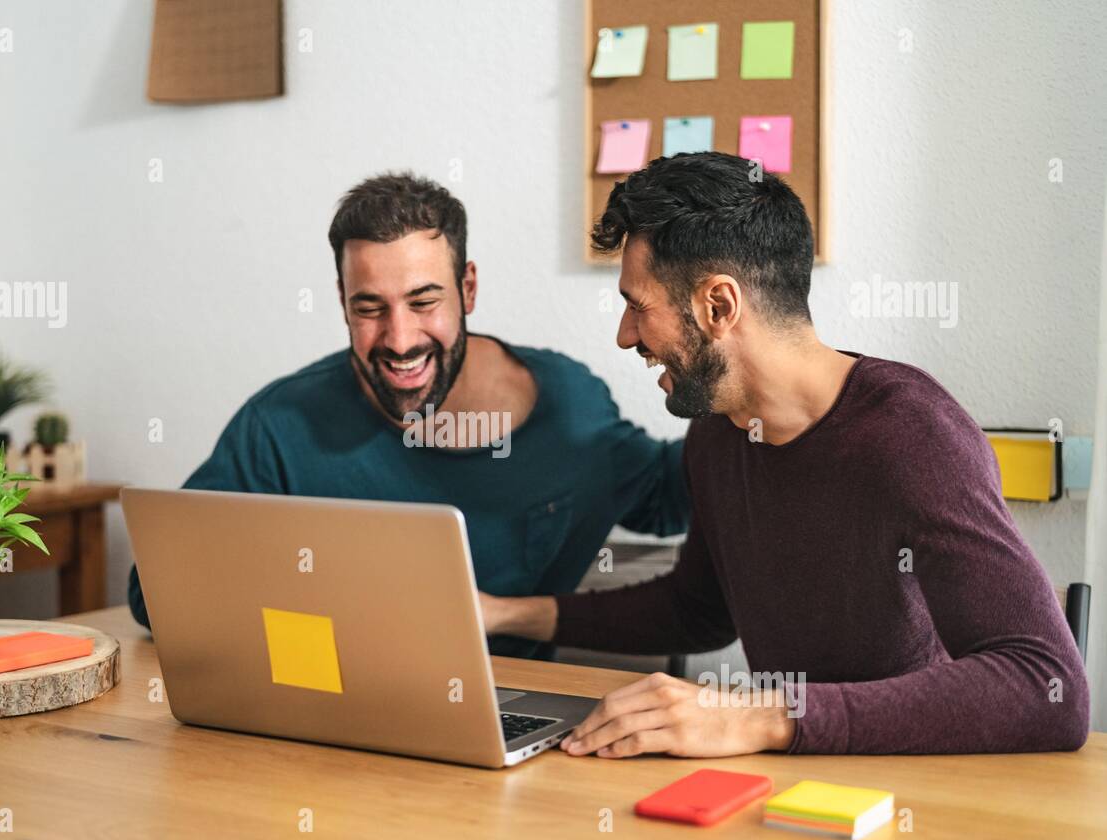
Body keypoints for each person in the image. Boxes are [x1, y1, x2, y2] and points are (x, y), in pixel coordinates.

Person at [480, 151, 1090, 752]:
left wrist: (763, 718)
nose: (626, 336)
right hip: (796, 778)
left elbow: (1046, 684)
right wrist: (505, 614)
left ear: (718, 306)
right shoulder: (718, 432)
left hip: (918, 787)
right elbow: (698, 611)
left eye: (639, 307)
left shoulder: (913, 434)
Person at [128, 172, 691, 659]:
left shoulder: (569, 405)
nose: (399, 340)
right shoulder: (280, 425)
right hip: (325, 717)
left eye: (424, 302)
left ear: (467, 288)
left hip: (513, 718)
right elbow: (155, 594)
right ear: (342, 300)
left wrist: (743, 390)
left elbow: (669, 501)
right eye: (369, 307)